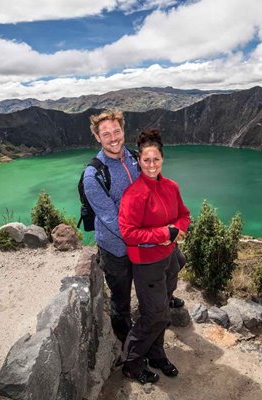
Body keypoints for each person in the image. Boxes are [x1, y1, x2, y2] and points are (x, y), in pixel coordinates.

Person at [118, 129, 191, 384]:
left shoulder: (171, 187)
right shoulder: (134, 194)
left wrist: (177, 231)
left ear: (163, 160)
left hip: (169, 258)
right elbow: (128, 233)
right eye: (146, 160)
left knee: (163, 309)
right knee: (154, 314)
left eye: (156, 160)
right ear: (139, 161)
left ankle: (157, 354)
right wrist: (163, 233)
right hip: (146, 263)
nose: (151, 165)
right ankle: (132, 362)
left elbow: (184, 214)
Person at [83, 109, 139, 346]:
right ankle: (128, 348)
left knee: (171, 266)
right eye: (106, 134)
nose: (113, 137)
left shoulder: (136, 158)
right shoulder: (93, 174)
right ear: (97, 137)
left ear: (123, 130)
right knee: (121, 299)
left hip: (142, 242)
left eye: (117, 131)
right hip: (115, 248)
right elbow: (110, 218)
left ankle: (159, 312)